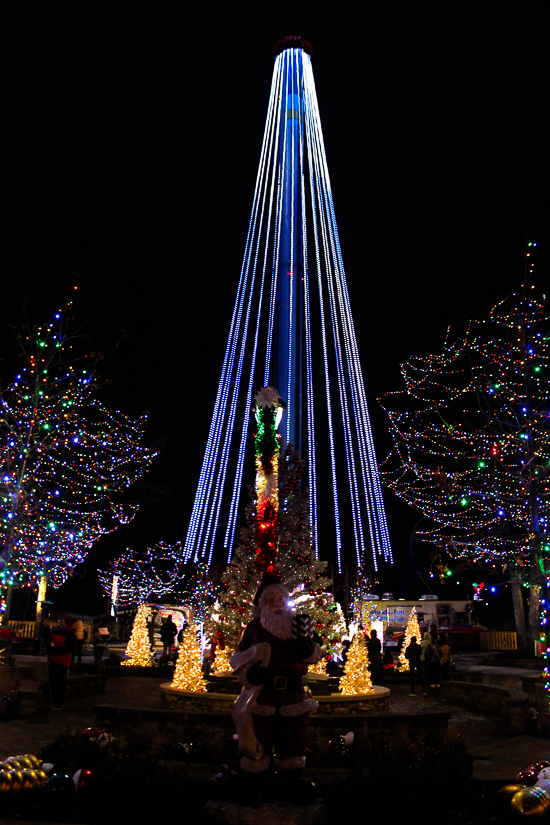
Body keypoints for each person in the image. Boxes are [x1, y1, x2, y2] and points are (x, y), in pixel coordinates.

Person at [229, 575, 323, 804]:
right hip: (263, 695)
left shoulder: (300, 626)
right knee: (258, 737)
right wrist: (251, 673)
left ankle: (291, 784)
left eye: (282, 599)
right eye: (271, 599)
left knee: (293, 739)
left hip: (293, 695)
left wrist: (309, 648)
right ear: (263, 605)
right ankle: (254, 783)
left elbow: (316, 652)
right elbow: (240, 658)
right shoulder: (254, 628)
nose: (277, 603)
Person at [47, 616, 77, 709]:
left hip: (62, 661)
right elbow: (49, 637)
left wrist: (55, 649)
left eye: (63, 622)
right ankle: (55, 700)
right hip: (54, 659)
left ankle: (59, 702)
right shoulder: (59, 631)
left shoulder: (71, 635)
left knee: (60, 682)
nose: (61, 623)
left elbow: (68, 649)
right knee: (53, 681)